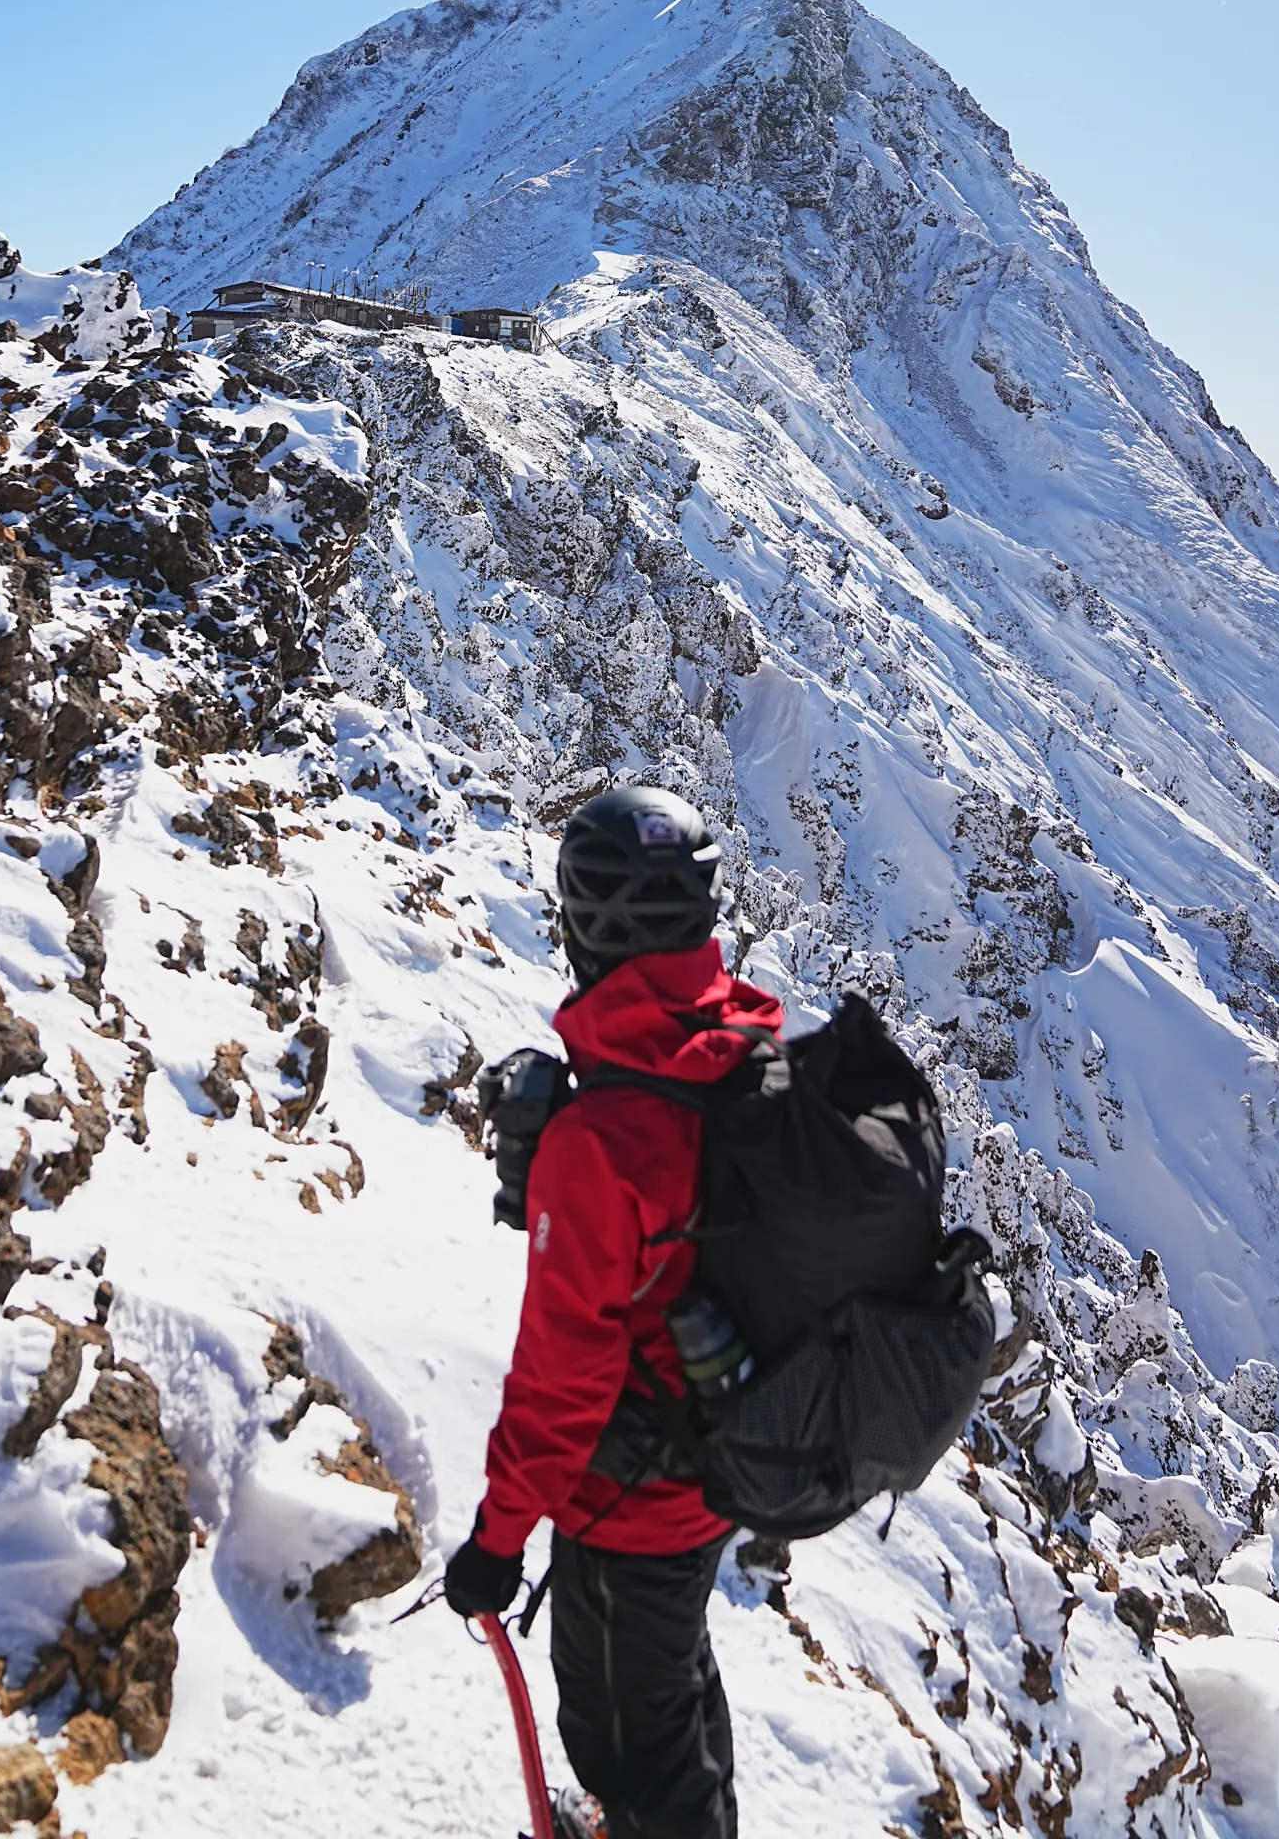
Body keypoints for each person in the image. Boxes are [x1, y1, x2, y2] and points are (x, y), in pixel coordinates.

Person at [444, 785, 784, 1839]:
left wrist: (498, 1540)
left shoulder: (602, 1139)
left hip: (629, 1508)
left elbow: (563, 1376)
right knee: (675, 1699)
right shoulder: (741, 1046)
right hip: (717, 1465)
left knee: (631, 1758)